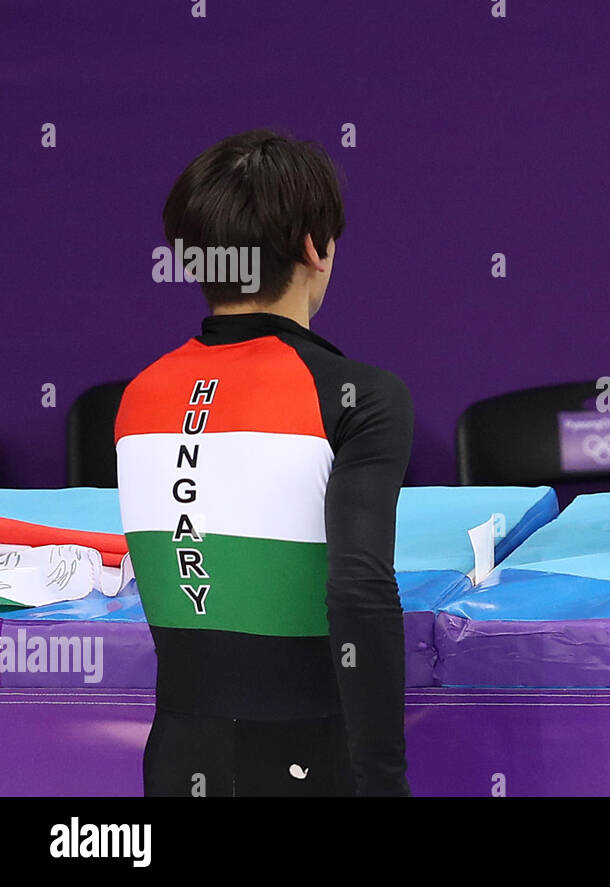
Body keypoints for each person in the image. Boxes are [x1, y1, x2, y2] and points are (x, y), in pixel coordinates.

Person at [115, 130, 414, 795]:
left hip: (176, 758)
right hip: (309, 758)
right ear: (316, 246)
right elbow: (361, 594)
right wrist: (383, 782)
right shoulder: (357, 394)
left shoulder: (137, 397)